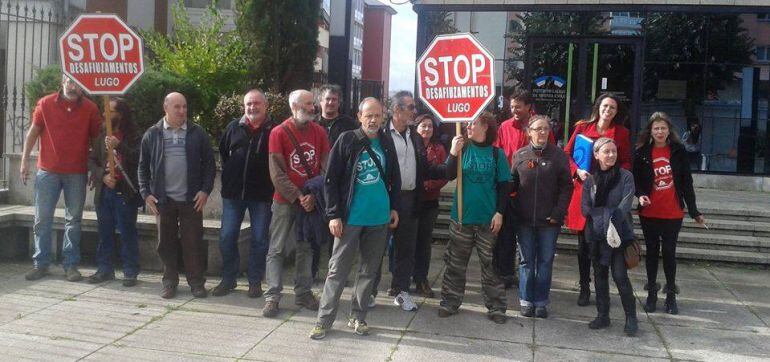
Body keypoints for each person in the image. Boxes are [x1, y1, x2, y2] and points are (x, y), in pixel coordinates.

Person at [310, 98, 401, 340]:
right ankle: (324, 320)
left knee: (369, 271)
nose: (373, 120)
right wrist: (333, 214)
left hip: (379, 217)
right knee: (337, 270)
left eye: (378, 115)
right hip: (350, 218)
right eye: (368, 115)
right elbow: (330, 180)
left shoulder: (386, 141)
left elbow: (395, 178)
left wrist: (394, 207)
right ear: (359, 116)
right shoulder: (347, 140)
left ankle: (358, 317)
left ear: (383, 117)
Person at [21, 75, 101, 282]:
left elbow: (97, 140)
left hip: (77, 172)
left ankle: (71, 265)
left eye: (77, 83)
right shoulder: (45, 104)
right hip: (47, 171)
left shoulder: (91, 109)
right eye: (70, 82)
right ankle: (40, 264)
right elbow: (33, 133)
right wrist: (24, 162)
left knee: (73, 220)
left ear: (83, 87)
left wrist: (96, 168)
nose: (73, 87)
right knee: (42, 218)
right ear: (62, 82)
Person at [138, 92, 216, 299]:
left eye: (184, 107)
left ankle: (197, 283)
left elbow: (210, 165)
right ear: (166, 108)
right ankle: (169, 282)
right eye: (177, 107)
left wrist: (205, 191)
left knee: (193, 242)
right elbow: (142, 167)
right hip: (163, 201)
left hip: (191, 200)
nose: (182, 111)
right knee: (165, 243)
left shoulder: (197, 133)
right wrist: (146, 194)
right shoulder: (152, 134)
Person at [437, 112, 511, 324]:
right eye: (468, 123)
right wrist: (452, 152)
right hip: (461, 219)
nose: (468, 126)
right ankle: (450, 301)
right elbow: (448, 174)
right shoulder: (463, 150)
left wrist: (500, 212)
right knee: (455, 263)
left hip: (488, 220)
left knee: (491, 265)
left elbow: (505, 185)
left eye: (473, 123)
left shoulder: (497, 154)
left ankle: (496, 306)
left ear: (486, 126)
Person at [263, 89, 330, 317]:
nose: (313, 108)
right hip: (285, 200)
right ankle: (272, 296)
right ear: (294, 107)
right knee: (277, 248)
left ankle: (303, 293)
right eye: (307, 104)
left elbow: (325, 166)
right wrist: (299, 196)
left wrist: (313, 194)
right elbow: (277, 174)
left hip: (310, 200)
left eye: (312, 103)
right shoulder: (278, 133)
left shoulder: (319, 132)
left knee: (306, 248)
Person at [563, 93, 632, 307]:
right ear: (598, 107)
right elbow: (567, 155)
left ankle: (602, 289)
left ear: (616, 111)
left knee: (603, 247)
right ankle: (585, 287)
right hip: (585, 190)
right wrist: (577, 173)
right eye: (605, 106)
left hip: (608, 194)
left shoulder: (621, 133)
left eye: (612, 107)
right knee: (584, 246)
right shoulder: (583, 128)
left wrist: (618, 180)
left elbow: (627, 161)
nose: (608, 110)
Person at [634, 112, 705, 315]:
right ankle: (652, 294)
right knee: (651, 253)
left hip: (673, 212)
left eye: (663, 128)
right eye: (656, 128)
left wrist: (694, 211)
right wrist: (640, 195)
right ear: (650, 130)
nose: (659, 131)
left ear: (668, 130)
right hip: (649, 212)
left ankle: (671, 294)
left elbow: (687, 182)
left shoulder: (678, 151)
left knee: (669, 253)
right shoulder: (642, 152)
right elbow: (636, 181)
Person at [380, 90, 445, 312]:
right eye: (410, 107)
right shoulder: (381, 134)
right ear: (397, 110)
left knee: (406, 249)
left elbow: (428, 169)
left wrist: (453, 157)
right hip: (383, 199)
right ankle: (368, 291)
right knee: (376, 247)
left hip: (410, 199)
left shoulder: (415, 137)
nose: (414, 112)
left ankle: (401, 291)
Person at [212, 89, 276, 298]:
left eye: (256, 103)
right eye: (248, 104)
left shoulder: (273, 130)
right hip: (233, 194)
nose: (252, 107)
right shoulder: (233, 127)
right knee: (227, 237)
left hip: (262, 195)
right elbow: (223, 152)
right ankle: (228, 279)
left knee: (259, 239)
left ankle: (254, 281)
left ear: (265, 106)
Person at [510, 115, 573, 318]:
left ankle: (541, 301)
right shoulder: (519, 155)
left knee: (545, 261)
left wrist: (558, 213)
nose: (542, 132)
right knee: (526, 261)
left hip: (549, 220)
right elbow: (511, 185)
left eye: (545, 129)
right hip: (525, 219)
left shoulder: (559, 156)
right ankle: (526, 300)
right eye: (537, 129)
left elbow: (566, 187)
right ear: (529, 132)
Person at [494, 90, 555, 289]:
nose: (514, 111)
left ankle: (529, 276)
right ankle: (504, 274)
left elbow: (551, 154)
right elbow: (498, 152)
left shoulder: (541, 127)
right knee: (506, 235)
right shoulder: (504, 126)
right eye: (512, 107)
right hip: (509, 188)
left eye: (518, 107)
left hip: (533, 192)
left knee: (529, 238)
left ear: (529, 107)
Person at [581, 137, 638, 336]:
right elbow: (585, 207)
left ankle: (631, 317)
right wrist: (603, 217)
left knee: (620, 276)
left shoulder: (626, 176)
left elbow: (625, 203)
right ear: (596, 155)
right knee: (599, 276)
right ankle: (602, 315)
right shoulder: (590, 180)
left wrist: (611, 218)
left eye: (614, 151)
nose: (611, 155)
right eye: (606, 151)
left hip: (618, 235)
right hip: (596, 235)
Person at [87, 97, 142, 287]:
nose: (105, 114)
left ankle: (130, 271)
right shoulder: (102, 134)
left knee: (127, 231)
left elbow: (139, 158)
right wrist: (102, 176)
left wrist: (120, 146)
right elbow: (92, 160)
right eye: (105, 111)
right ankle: (105, 269)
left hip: (124, 191)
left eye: (110, 111)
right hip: (105, 191)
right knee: (104, 232)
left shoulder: (134, 136)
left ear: (121, 114)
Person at [314, 84, 357, 280]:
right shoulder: (311, 123)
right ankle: (312, 272)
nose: (330, 102)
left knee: (337, 233)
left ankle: (336, 274)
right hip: (315, 185)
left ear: (339, 102)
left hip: (340, 185)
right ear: (320, 101)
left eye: (334, 99)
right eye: (327, 99)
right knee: (314, 232)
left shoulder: (349, 125)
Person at [413, 114, 448, 298]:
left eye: (429, 126)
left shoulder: (439, 149)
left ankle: (421, 279)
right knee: (406, 241)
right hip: (411, 201)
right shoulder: (410, 144)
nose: (426, 130)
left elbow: (443, 174)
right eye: (423, 126)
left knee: (424, 243)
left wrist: (428, 185)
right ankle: (400, 280)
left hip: (429, 201)